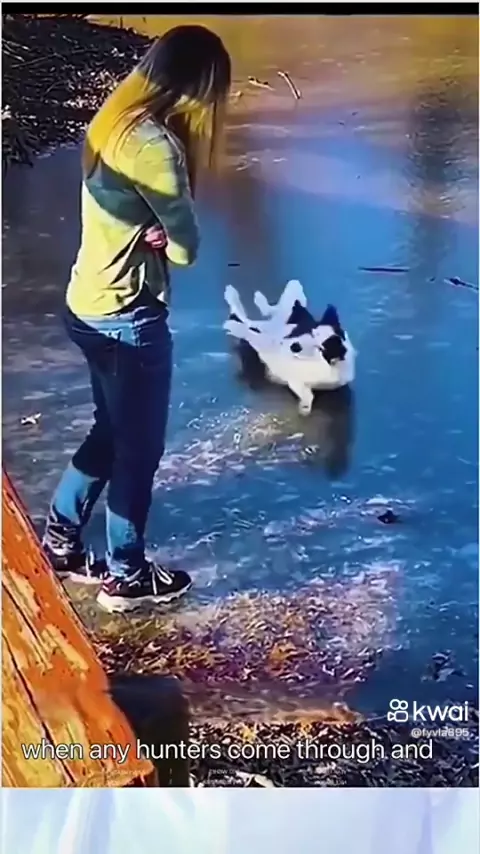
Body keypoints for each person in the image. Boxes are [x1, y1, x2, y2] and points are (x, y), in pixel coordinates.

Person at [42, 26, 232, 614]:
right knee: (138, 452)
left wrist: (150, 229)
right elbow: (187, 248)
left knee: (110, 430)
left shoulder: (112, 122)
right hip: (127, 317)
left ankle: (61, 542)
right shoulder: (155, 147)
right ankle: (126, 576)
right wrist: (162, 236)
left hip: (86, 302)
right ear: (198, 86)